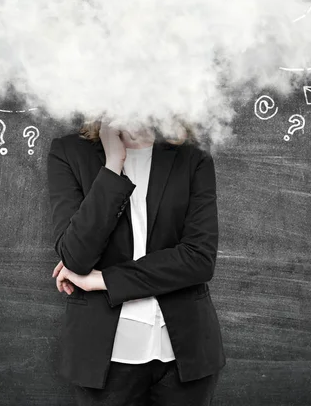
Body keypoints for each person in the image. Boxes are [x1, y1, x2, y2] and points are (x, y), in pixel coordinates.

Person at [47, 119, 226, 405]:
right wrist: (112, 164)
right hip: (103, 358)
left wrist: (102, 280)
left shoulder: (193, 156)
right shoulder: (69, 152)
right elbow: (76, 257)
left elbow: (199, 259)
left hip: (185, 357)